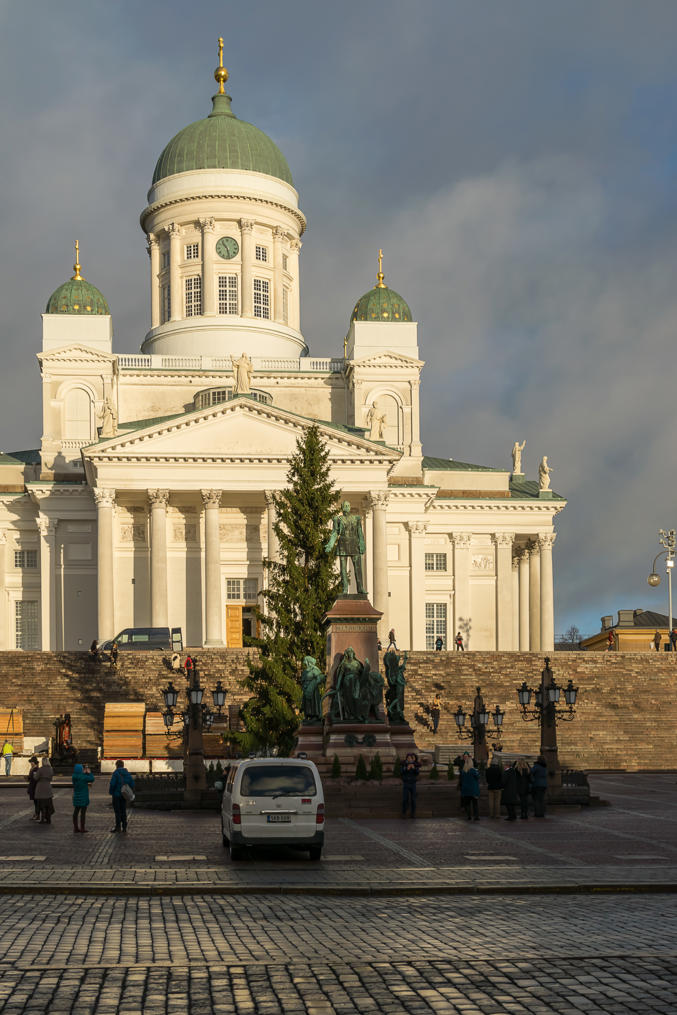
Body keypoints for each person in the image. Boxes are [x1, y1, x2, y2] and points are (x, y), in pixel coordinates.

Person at [109, 760, 134, 833]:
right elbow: (132, 784)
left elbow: (112, 784)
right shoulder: (127, 773)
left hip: (116, 795)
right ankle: (124, 827)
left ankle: (118, 827)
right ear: (123, 765)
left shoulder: (115, 773)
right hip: (124, 795)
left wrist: (111, 792)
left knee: (117, 811)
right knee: (123, 810)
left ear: (116, 765)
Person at [72, 763, 95, 833]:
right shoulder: (84, 777)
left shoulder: (74, 776)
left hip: (76, 796)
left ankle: (76, 828)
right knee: (83, 813)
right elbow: (92, 779)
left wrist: (84, 773)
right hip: (84, 797)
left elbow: (80, 776)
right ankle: (82, 828)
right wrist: (89, 772)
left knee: (75, 812)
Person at [34, 757, 54, 824]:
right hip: (48, 787)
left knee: (42, 805)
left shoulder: (41, 769)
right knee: (48, 804)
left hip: (41, 787)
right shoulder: (51, 769)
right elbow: (51, 778)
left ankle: (43, 819)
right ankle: (48, 819)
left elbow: (36, 778)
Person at [460, 756, 480, 821]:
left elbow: (462, 780)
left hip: (466, 790)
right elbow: (477, 777)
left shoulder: (463, 771)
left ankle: (469, 816)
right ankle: (476, 816)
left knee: (467, 804)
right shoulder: (473, 770)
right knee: (475, 804)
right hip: (473, 790)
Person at [400, 752, 420, 818]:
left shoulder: (416, 764)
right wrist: (406, 768)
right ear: (406, 759)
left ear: (412, 759)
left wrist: (414, 768)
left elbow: (417, 773)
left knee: (413, 799)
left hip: (413, 784)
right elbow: (401, 772)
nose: (409, 759)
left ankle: (413, 813)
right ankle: (404, 813)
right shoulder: (404, 764)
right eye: (408, 758)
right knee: (405, 799)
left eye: (410, 758)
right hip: (406, 784)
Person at [485, 754, 503, 819]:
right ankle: (497, 814)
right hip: (497, 787)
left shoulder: (488, 770)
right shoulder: (499, 770)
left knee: (491, 801)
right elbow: (501, 778)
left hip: (490, 786)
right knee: (497, 802)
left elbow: (487, 779)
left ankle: (491, 814)